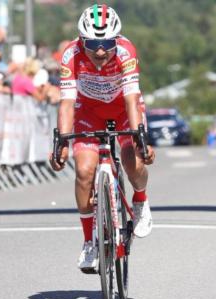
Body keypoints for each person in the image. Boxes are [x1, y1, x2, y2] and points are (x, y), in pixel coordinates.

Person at [48, 4, 155, 272]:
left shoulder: (126, 52)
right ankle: (89, 242)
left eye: (107, 43)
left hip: (122, 109)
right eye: (92, 43)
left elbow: (131, 99)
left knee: (133, 161)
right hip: (89, 111)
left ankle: (140, 200)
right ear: (81, 40)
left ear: (116, 40)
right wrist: (61, 142)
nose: (99, 51)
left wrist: (140, 139)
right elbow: (66, 103)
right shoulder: (70, 55)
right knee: (84, 172)